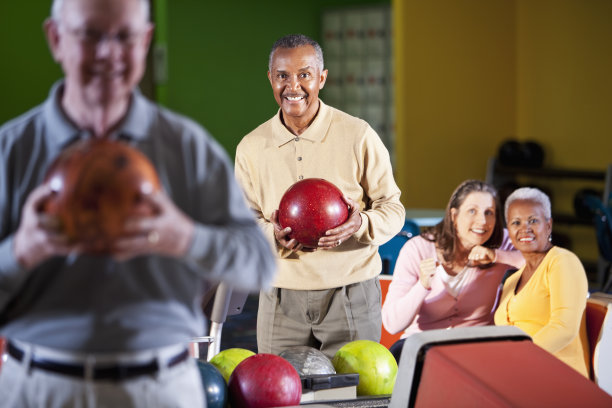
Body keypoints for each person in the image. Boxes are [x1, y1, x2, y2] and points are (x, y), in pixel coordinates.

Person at [0, 0, 275, 406]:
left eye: (125, 36)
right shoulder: (10, 150)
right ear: (56, 39)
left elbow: (259, 263)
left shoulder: (187, 149)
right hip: (39, 388)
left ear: (146, 41)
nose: (109, 53)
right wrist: (22, 249)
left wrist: (184, 237)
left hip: (159, 389)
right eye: (90, 34)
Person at [234, 34, 405, 359]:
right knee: (280, 396)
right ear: (271, 78)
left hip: (350, 292)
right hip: (280, 296)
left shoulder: (358, 135)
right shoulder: (251, 147)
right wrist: (273, 236)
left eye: (304, 74)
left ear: (321, 78)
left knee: (352, 397)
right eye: (282, 75)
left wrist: (359, 224)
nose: (292, 85)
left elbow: (392, 209)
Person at [382, 180, 524, 361]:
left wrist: (497, 256)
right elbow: (393, 324)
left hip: (476, 347)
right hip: (423, 346)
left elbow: (541, 260)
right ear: (454, 216)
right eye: (472, 211)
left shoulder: (500, 242)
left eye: (489, 213)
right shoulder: (418, 248)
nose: (482, 221)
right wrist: (422, 285)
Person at [494, 187, 590, 377]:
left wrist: (516, 362)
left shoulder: (562, 261)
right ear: (509, 230)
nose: (524, 229)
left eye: (533, 220)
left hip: (559, 376)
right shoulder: (512, 280)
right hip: (521, 374)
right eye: (516, 222)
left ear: (548, 225)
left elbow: (563, 329)